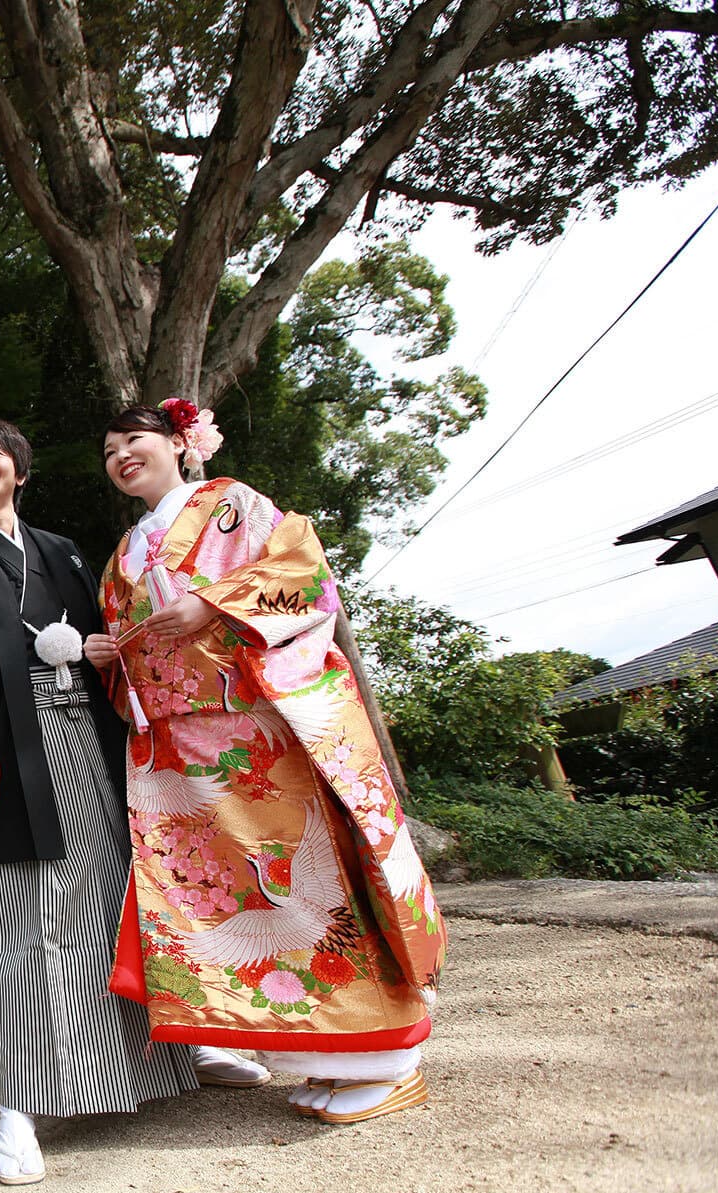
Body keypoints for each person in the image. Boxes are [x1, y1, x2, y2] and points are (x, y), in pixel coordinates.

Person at [83, 400, 447, 1125]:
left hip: (261, 730)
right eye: (109, 448)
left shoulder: (233, 504)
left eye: (136, 439)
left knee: (313, 888)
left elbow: (303, 571)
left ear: (181, 444)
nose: (122, 453)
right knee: (250, 900)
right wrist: (109, 656)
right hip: (188, 756)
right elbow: (136, 650)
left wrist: (214, 605)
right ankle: (322, 1058)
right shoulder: (123, 555)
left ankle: (387, 1056)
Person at [0, 419, 238, 1188]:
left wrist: (101, 651)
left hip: (91, 739)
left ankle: (178, 1051)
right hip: (13, 753)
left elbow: (119, 635)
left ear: (21, 471)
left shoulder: (66, 552)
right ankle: (20, 1104)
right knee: (29, 920)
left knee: (126, 897)